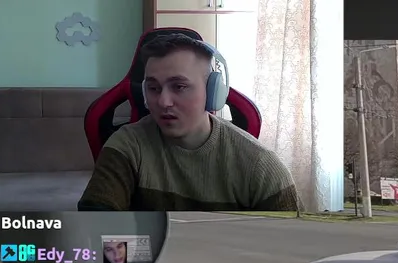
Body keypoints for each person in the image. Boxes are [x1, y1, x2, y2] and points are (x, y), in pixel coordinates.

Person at [78, 33, 299, 212]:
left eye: (179, 87)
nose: (163, 101)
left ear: (212, 93)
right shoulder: (126, 147)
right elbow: (96, 231)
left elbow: (292, 244)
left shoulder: (261, 166)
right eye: (153, 88)